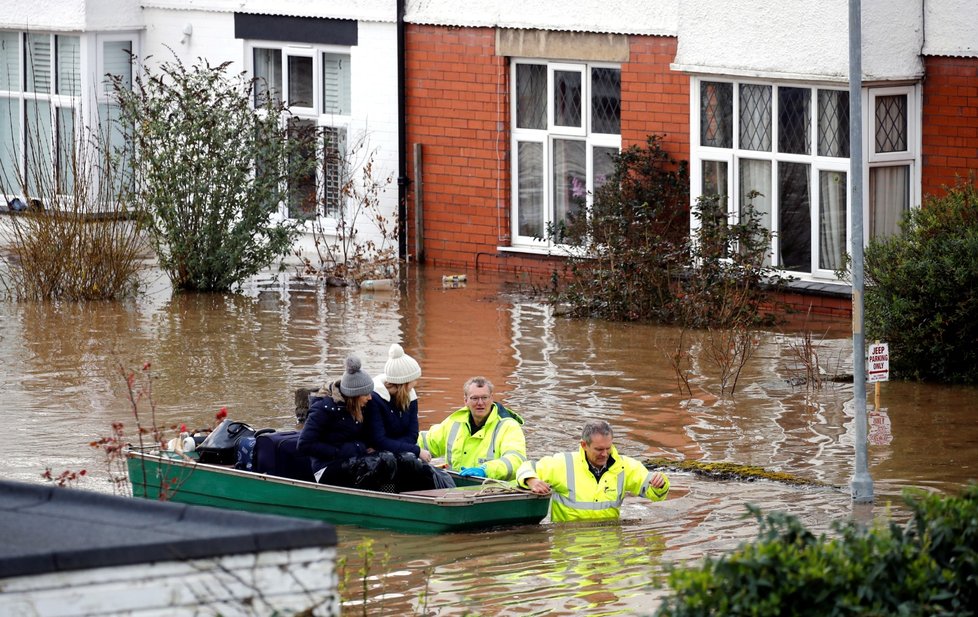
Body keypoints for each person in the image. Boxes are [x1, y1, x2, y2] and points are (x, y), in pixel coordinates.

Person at [516, 419, 669, 522]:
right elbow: (525, 467)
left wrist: (660, 484)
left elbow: (654, 492)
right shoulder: (563, 463)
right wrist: (532, 480)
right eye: (599, 449)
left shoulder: (625, 466)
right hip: (569, 548)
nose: (604, 454)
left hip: (609, 545)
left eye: (608, 448)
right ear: (584, 445)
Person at [297, 354, 396, 490]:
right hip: (326, 467)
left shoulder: (360, 408)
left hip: (353, 459)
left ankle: (388, 496)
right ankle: (367, 500)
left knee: (388, 458)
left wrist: (369, 446)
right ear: (354, 396)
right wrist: (339, 452)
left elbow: (366, 436)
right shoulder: (323, 410)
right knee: (372, 463)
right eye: (366, 394)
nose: (370, 398)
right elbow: (304, 444)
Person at [365, 343, 447, 491]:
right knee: (395, 459)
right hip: (380, 455)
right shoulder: (375, 399)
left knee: (409, 460)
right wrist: (416, 450)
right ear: (404, 383)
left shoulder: (411, 397)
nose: (416, 383)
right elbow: (378, 439)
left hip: (397, 450)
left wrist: (399, 447)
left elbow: (412, 434)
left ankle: (411, 494)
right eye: (414, 380)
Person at [418, 376, 526, 481]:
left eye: (484, 397)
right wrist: (406, 444)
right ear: (466, 401)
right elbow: (427, 441)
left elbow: (515, 460)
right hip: (456, 487)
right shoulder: (455, 422)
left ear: (491, 398)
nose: (480, 403)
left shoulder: (508, 426)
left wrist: (486, 470)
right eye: (474, 398)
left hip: (494, 490)